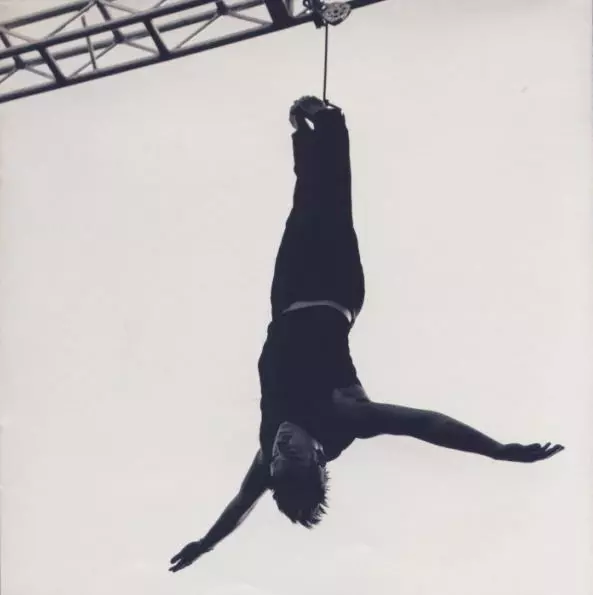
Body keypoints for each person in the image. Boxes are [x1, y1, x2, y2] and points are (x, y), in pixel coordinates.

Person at [168, 96, 564, 573]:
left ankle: (303, 138)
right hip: (333, 288)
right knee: (331, 205)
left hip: (287, 296)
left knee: (302, 209)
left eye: (275, 456)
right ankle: (330, 122)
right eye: (290, 452)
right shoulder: (343, 418)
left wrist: (206, 544)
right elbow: (424, 424)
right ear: (317, 458)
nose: (280, 444)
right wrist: (496, 450)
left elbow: (240, 503)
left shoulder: (272, 448)